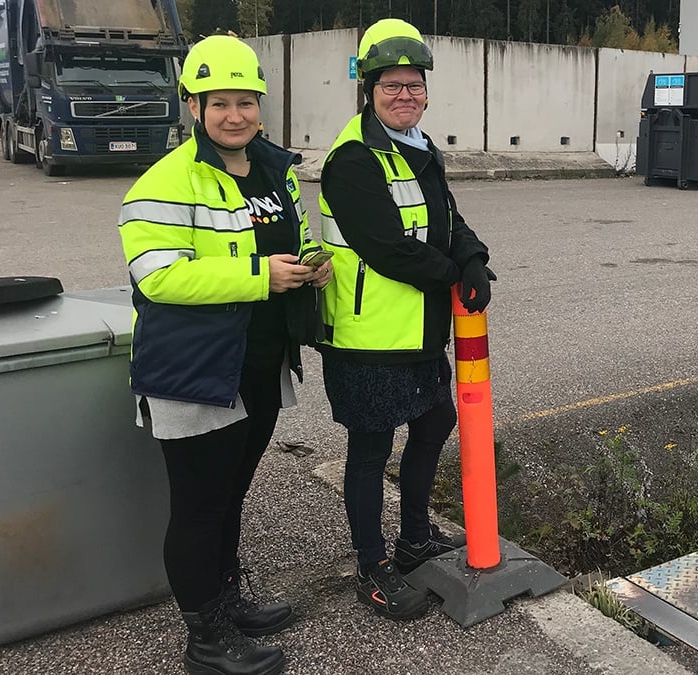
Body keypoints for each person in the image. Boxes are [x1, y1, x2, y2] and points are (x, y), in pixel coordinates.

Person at [118, 35, 331, 674]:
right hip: (194, 369)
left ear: (261, 106)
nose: (234, 115)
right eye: (219, 103)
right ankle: (205, 639)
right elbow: (158, 276)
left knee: (231, 493)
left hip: (258, 360)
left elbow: (292, 235)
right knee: (199, 507)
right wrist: (260, 276)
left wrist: (311, 266)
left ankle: (227, 599)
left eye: (246, 102)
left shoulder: (275, 170)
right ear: (193, 105)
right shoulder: (164, 182)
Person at [317, 18, 493, 621]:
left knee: (435, 419)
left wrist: (473, 257)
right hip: (367, 335)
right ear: (368, 90)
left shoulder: (418, 147)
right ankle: (371, 568)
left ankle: (414, 537)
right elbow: (388, 248)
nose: (404, 95)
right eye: (391, 85)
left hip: (416, 330)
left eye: (414, 85)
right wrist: (453, 276)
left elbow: (447, 218)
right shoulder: (353, 159)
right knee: (370, 450)